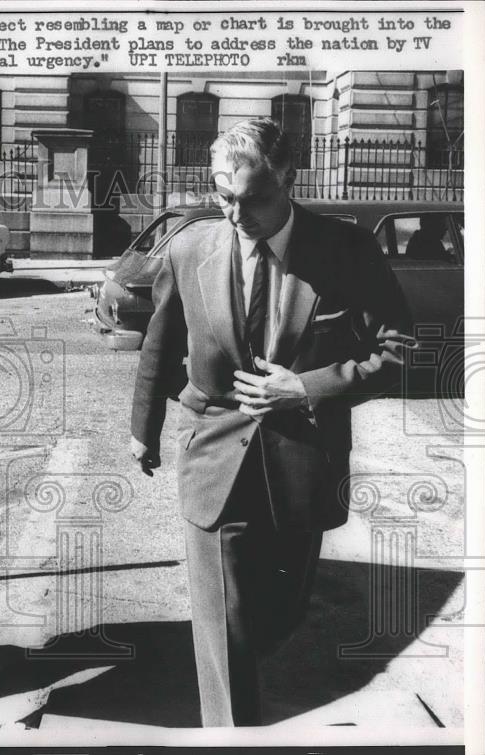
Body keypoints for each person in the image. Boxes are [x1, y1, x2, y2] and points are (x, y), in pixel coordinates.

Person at [129, 119, 413, 726]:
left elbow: (398, 348)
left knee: (275, 616)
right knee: (221, 625)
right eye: (221, 196)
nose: (234, 213)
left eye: (251, 198)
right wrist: (142, 427)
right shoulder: (187, 248)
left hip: (302, 461)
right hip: (212, 453)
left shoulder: (345, 250)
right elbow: (160, 343)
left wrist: (307, 387)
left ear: (289, 178)